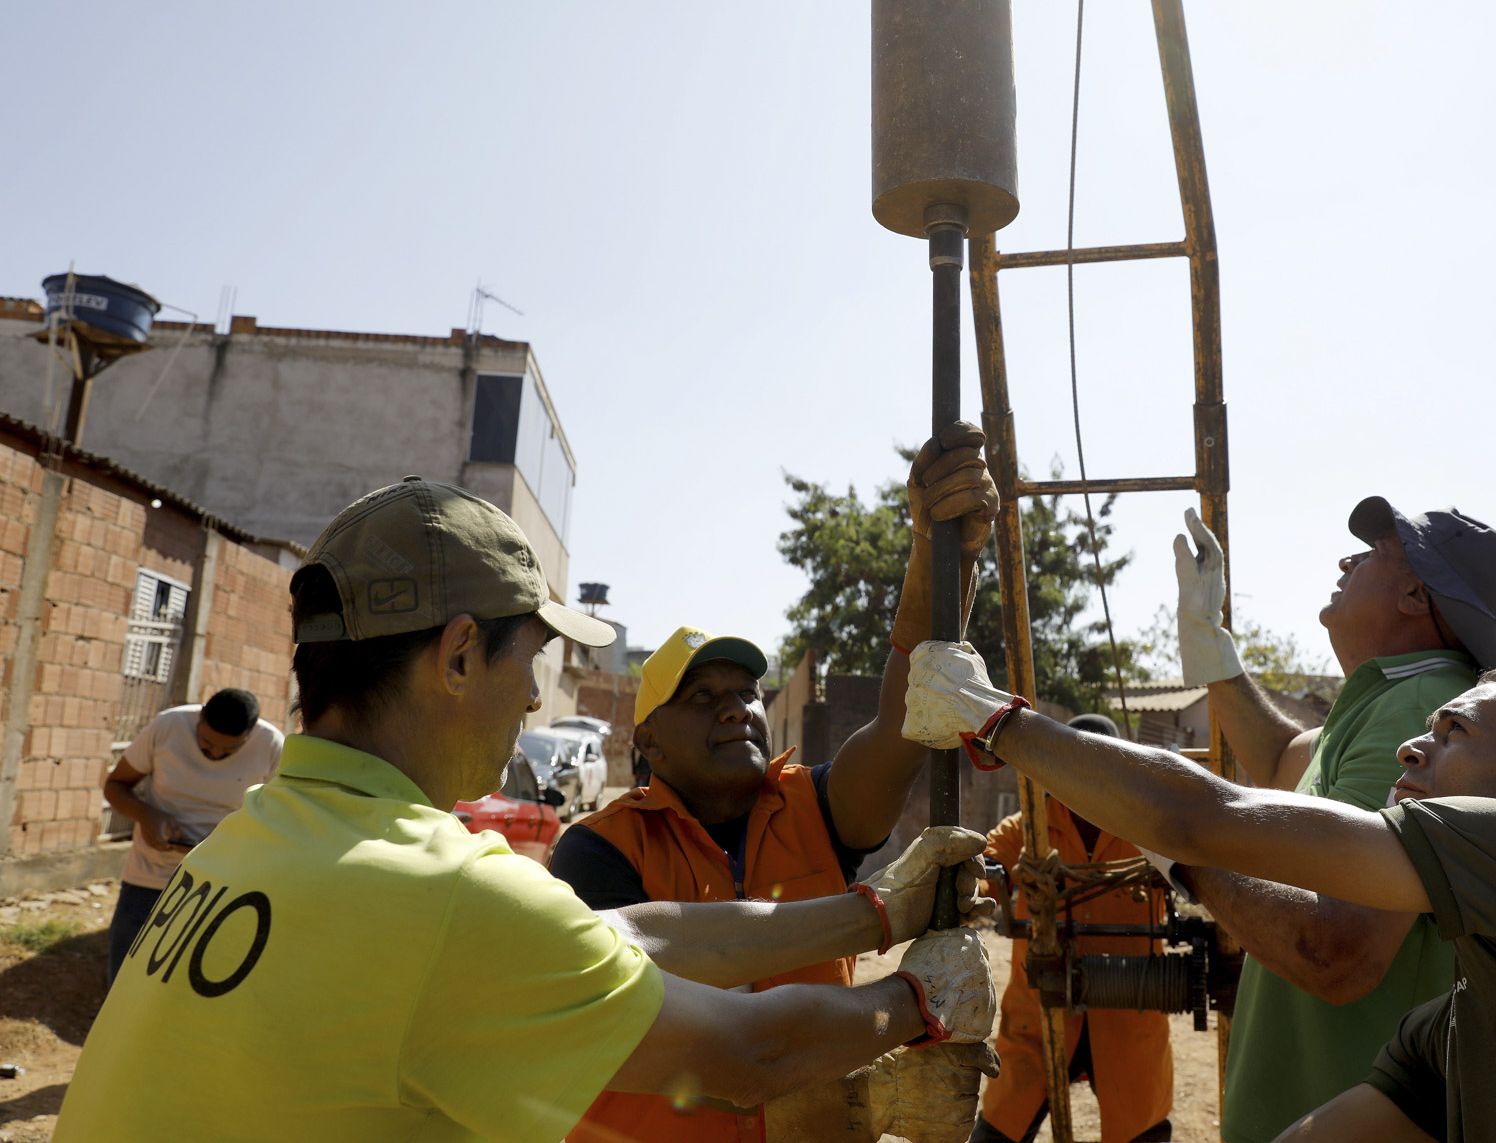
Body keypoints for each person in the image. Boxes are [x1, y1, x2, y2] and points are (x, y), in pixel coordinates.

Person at [55, 478, 996, 1143]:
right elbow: (745, 1054)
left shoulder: (257, 837)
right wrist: (917, 999)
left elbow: (623, 934)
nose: (534, 701)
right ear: (460, 656)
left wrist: (880, 911)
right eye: (530, 662)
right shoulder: (451, 895)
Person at [900, 654, 1496, 1140]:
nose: (1413, 748)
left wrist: (990, 716)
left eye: (1451, 730)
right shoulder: (1460, 1031)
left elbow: (1207, 813)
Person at [546, 422, 1002, 1143]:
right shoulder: (598, 854)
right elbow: (688, 1049)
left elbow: (908, 714)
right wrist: (906, 1016)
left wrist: (944, 555)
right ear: (648, 742)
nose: (736, 706)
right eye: (702, 697)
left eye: (746, 692)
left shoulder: (816, 809)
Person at [1138, 502, 1496, 1141]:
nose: (1347, 560)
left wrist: (1183, 854)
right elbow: (1277, 759)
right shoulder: (1392, 699)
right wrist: (1208, 640)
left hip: (1338, 1107)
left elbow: (1336, 949)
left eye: (1373, 551)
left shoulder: (1423, 709)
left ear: (1411, 593)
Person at [973, 713, 1173, 1143]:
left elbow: (1199, 864)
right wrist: (985, 876)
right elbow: (985, 862)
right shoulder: (1030, 825)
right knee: (999, 1129)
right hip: (1041, 1013)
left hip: (1128, 1013)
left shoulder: (1150, 827)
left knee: (1142, 1128)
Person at [100, 687, 282, 982]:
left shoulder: (272, 745)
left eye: (230, 750)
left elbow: (281, 820)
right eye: (207, 742)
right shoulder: (168, 726)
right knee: (125, 980)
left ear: (250, 736)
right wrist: (148, 816)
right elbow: (116, 786)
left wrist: (226, 844)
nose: (216, 753)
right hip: (149, 880)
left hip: (224, 884)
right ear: (199, 717)